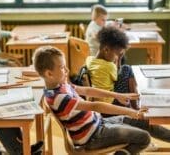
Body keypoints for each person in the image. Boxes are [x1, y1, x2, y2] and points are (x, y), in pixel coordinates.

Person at [32, 46, 170, 155]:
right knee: (143, 138)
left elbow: (87, 90)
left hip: (98, 123)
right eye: (62, 67)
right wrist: (132, 112)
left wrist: (117, 95)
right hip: (93, 136)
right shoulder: (58, 97)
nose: (67, 70)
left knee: (144, 122)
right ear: (49, 74)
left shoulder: (61, 86)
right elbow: (95, 105)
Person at [85, 26, 138, 109]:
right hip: (110, 103)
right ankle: (135, 107)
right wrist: (119, 60)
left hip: (97, 100)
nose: (116, 57)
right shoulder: (109, 66)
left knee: (125, 69)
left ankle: (134, 105)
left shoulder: (89, 59)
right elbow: (117, 77)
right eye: (117, 54)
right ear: (106, 50)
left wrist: (118, 57)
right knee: (127, 69)